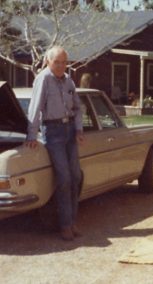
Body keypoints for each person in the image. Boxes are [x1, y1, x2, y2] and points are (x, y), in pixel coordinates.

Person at [25, 46, 84, 241]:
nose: (60, 66)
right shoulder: (43, 79)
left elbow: (77, 107)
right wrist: (32, 136)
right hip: (53, 132)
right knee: (64, 179)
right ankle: (65, 225)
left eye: (64, 62)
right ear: (48, 61)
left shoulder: (68, 80)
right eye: (56, 62)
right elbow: (34, 108)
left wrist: (78, 130)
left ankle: (73, 221)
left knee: (76, 176)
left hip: (69, 133)